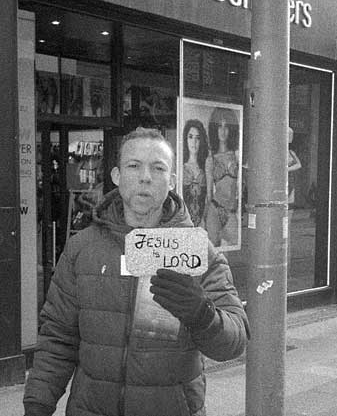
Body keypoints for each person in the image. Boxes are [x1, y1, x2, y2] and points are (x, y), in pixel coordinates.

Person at [23, 127, 249, 416]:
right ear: (117, 176)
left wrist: (203, 314)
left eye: (158, 168)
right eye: (134, 166)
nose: (145, 177)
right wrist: (37, 405)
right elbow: (58, 336)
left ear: (172, 181)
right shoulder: (82, 248)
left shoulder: (197, 250)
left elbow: (235, 341)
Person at [205, 108, 240, 248]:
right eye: (219, 126)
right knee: (213, 251)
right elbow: (209, 193)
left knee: (233, 246)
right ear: (215, 129)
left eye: (226, 126)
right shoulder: (211, 159)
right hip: (215, 208)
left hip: (231, 210)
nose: (223, 130)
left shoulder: (236, 156)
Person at [182, 119, 209, 228]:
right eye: (190, 137)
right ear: (185, 139)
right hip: (183, 224)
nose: (194, 142)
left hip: (202, 223)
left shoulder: (206, 166)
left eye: (198, 138)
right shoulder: (181, 166)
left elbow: (209, 196)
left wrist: (204, 219)